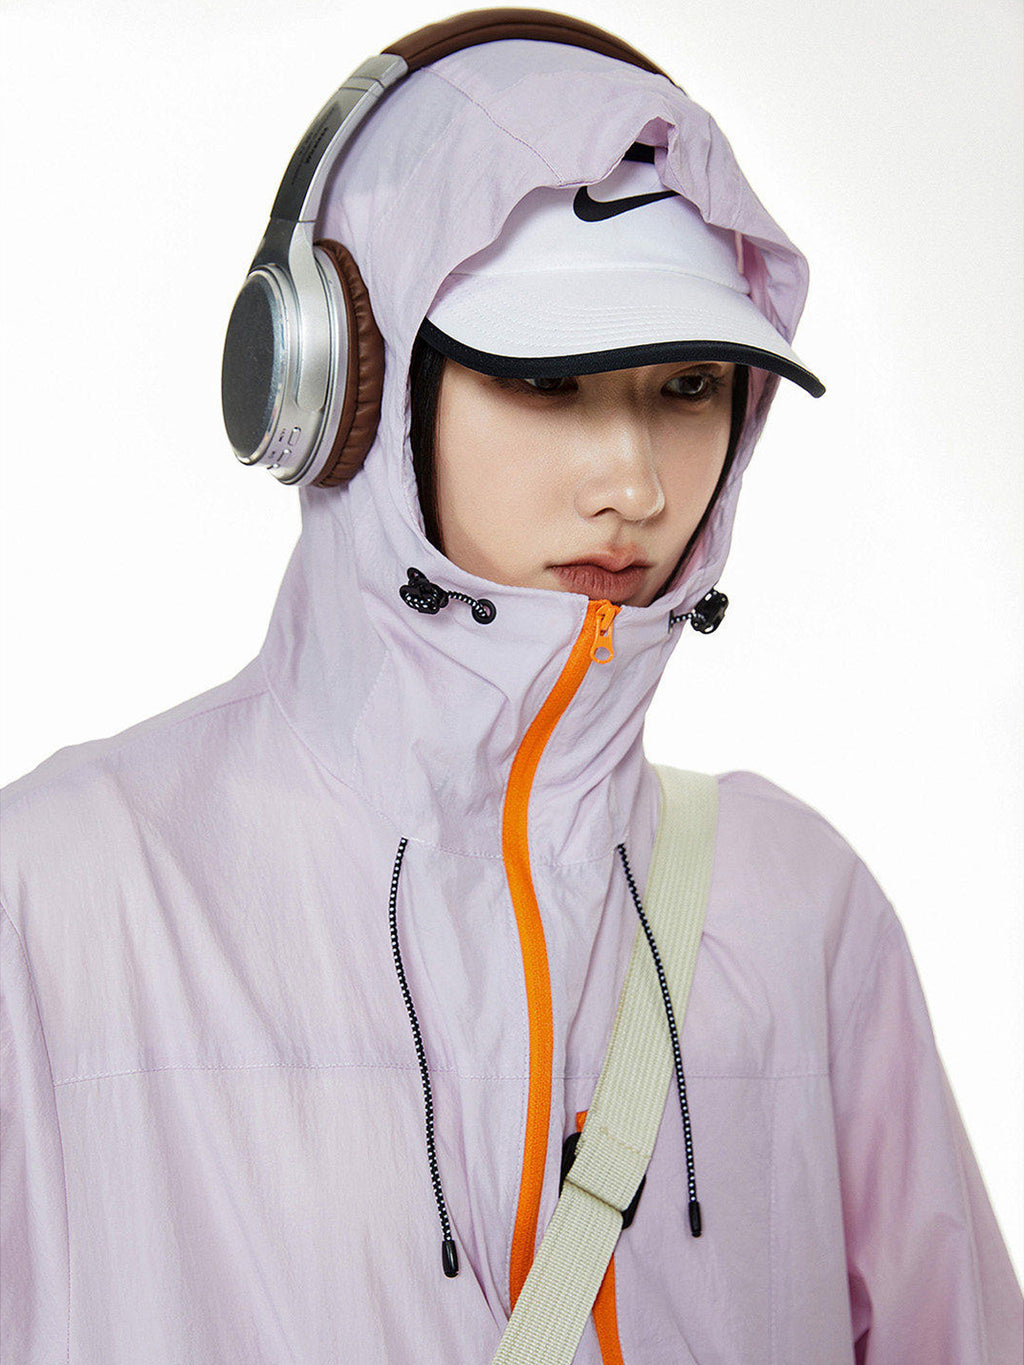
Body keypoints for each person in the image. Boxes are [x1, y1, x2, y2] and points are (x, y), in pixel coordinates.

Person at [1, 9, 1021, 1363]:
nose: (634, 481)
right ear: (347, 390)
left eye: (689, 385)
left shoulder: (800, 911)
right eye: (546, 377)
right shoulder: (63, 896)